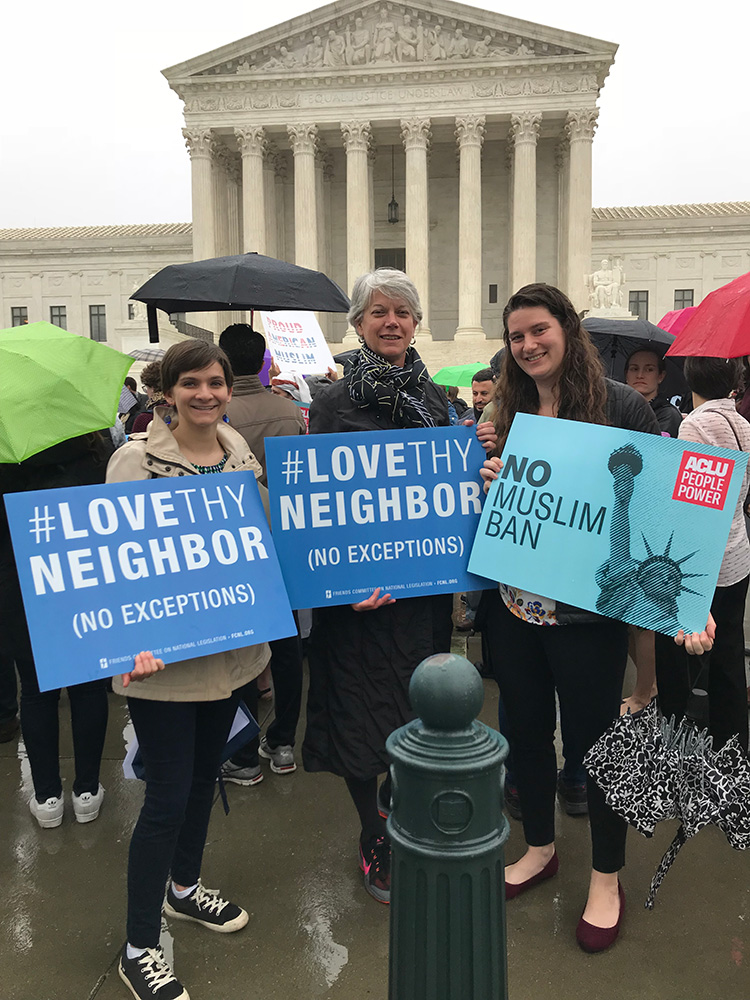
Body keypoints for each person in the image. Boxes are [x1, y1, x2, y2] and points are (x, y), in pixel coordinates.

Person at [481, 282, 669, 953]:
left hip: (590, 613)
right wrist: (494, 476)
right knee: (525, 734)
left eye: (539, 330)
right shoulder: (512, 405)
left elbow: (654, 504)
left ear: (566, 328)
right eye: (516, 337)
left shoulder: (620, 405)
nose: (528, 345)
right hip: (516, 605)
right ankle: (539, 848)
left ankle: (606, 876)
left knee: (598, 749)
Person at [106, 340, 270, 1000]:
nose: (207, 393)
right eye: (192, 383)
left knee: (205, 779)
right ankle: (139, 944)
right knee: (168, 799)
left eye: (217, 382)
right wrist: (128, 643)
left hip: (229, 652)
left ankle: (183, 887)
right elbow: (111, 559)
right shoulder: (134, 459)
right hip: (163, 662)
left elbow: (260, 541)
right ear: (165, 391)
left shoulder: (237, 449)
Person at [303, 268, 455, 905]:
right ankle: (373, 833)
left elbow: (448, 499)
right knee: (360, 718)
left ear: (416, 324)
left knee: (419, 710)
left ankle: (405, 812)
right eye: (378, 312)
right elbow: (317, 506)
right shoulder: (333, 404)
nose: (391, 322)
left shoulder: (437, 401)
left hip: (421, 597)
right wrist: (340, 583)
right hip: (359, 603)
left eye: (402, 312)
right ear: (359, 325)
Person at [0, 433, 113, 827]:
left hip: (21, 589)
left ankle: (47, 795)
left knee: (34, 692)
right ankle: (87, 789)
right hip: (86, 585)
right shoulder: (96, 456)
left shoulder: (5, 459)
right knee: (88, 687)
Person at [217, 323, 306, 786]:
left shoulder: (219, 414)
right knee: (287, 646)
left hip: (239, 547)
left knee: (246, 647)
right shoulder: (289, 411)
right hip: (285, 537)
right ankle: (285, 740)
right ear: (264, 358)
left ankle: (245, 753)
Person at [655, 356, 750, 753]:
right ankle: (733, 749)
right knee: (729, 654)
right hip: (738, 552)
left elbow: (691, 502)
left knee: (681, 663)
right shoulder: (742, 423)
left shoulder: (694, 423)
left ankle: (682, 750)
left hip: (703, 561)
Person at [625, 349, 682, 437]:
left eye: (649, 369)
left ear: (660, 376)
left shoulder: (668, 414)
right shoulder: (615, 407)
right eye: (634, 369)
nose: (640, 375)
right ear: (626, 375)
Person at [130, 361, 167, 434]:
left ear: (152, 388)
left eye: (146, 388)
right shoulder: (182, 411)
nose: (146, 392)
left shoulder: (144, 419)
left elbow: (135, 444)